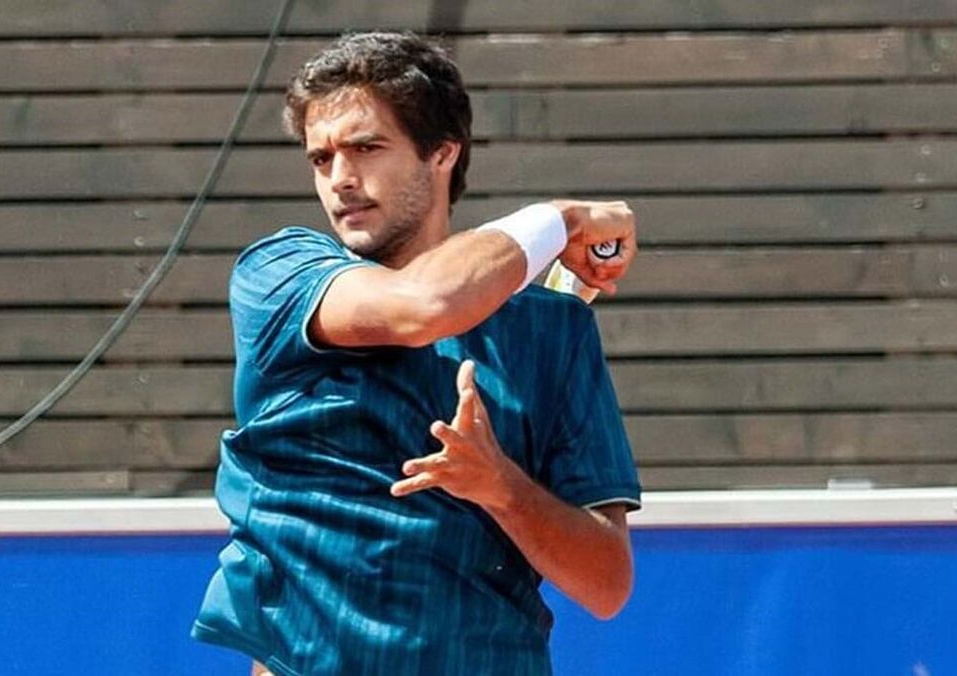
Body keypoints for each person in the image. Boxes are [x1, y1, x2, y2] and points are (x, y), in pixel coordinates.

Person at [192, 31, 640, 675]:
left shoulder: (553, 330)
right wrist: (561, 220)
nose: (341, 180)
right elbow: (427, 305)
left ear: (442, 152)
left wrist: (501, 488)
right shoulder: (277, 276)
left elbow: (606, 584)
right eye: (321, 159)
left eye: (366, 148)